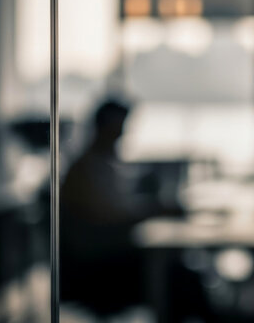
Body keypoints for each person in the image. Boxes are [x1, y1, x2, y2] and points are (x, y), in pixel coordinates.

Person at [60, 99, 208, 321]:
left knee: (182, 272)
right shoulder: (84, 169)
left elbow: (113, 209)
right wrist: (154, 210)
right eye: (118, 128)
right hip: (97, 268)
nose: (122, 134)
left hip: (105, 257)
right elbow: (106, 215)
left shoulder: (101, 165)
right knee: (181, 278)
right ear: (105, 128)